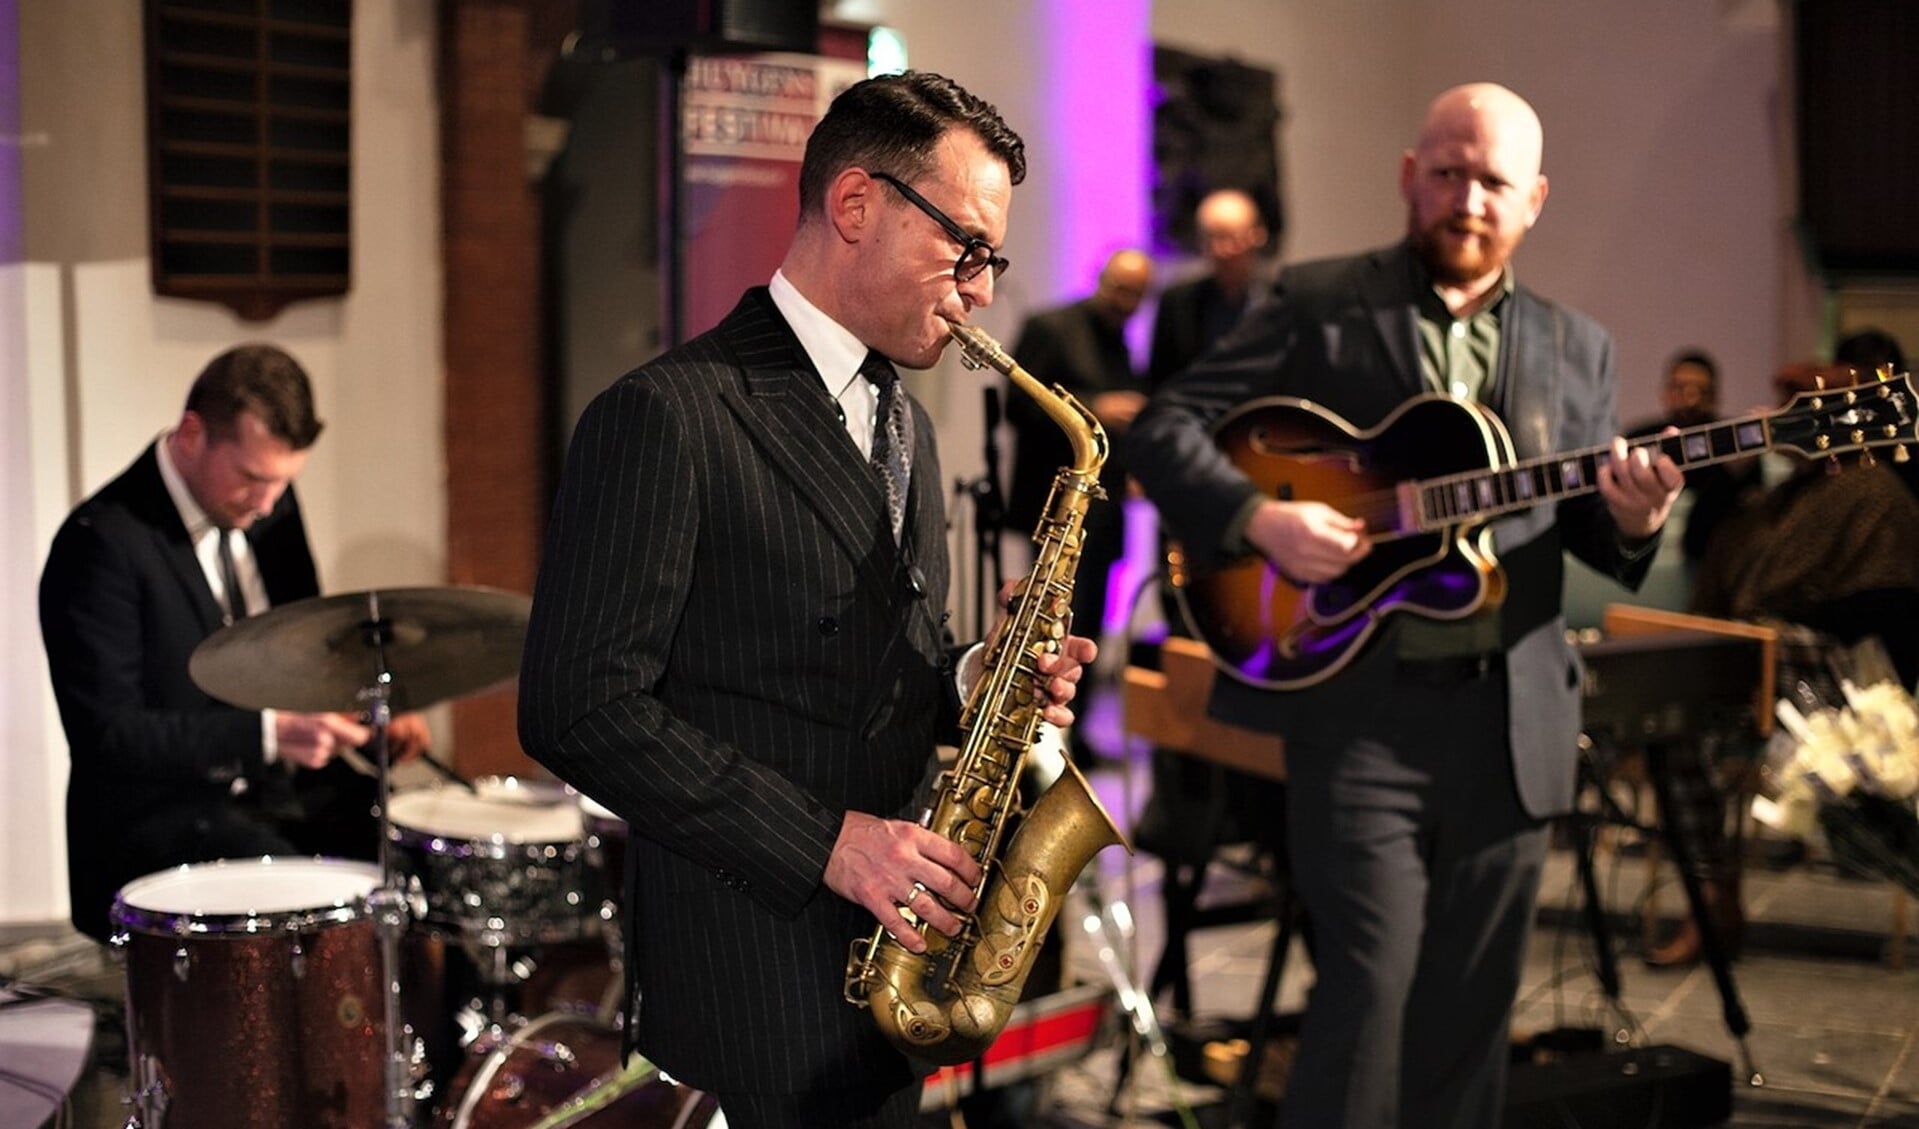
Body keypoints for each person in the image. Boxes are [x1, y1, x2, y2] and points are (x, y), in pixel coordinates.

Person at [517, 71, 1095, 1129]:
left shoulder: (902, 420)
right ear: (855, 205)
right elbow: (575, 707)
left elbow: (872, 654)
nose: (977, 290)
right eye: (963, 248)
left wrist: (978, 676)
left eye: (990, 260)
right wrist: (828, 842)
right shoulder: (666, 415)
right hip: (750, 974)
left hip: (884, 958)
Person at [1126, 83, 1684, 1128]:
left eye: (1493, 182)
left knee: (1469, 1017)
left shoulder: (1580, 350)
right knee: (1366, 989)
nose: (1467, 199)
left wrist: (1638, 522)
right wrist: (1256, 520)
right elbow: (1163, 425)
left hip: (1508, 717)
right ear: (1406, 176)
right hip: (1360, 715)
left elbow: (1590, 536)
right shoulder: (1317, 301)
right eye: (1447, 172)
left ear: (1533, 201)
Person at [40, 343, 430, 943]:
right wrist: (270, 735)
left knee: (421, 871)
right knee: (319, 920)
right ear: (192, 434)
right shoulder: (101, 543)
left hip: (273, 796)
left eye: (283, 482)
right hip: (158, 818)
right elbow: (108, 738)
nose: (269, 503)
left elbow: (304, 649)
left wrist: (369, 707)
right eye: (252, 478)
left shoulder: (267, 505)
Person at [1643, 358, 1919, 967]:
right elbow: (1707, 557)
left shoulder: (1874, 494)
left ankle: (1713, 898)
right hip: (1747, 667)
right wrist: (1729, 478)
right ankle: (1712, 897)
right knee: (1670, 717)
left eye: (1798, 400)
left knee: (1698, 700)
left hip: (1836, 682)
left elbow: (1887, 618)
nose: (1783, 415)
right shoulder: (1778, 498)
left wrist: (1768, 635)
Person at [1004, 247, 1152, 762]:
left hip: (1104, 512)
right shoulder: (1050, 326)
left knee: (1088, 626)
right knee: (1050, 628)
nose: (1126, 301)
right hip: (1056, 508)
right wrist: (1096, 407)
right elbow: (1018, 406)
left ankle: (1075, 737)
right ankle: (1035, 747)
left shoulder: (1121, 343)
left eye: (1136, 295)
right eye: (1119, 288)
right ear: (1100, 279)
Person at [1623, 348, 1751, 568]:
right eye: (1680, 388)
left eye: (1701, 390)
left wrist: (1730, 473)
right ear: (1665, 392)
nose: (1691, 399)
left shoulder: (1734, 441)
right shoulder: (1639, 439)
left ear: (1715, 397)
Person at [1146, 186, 1271, 391]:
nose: (1221, 250)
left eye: (1231, 238)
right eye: (1211, 237)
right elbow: (1160, 382)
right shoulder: (1176, 302)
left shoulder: (1282, 297)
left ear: (1257, 235)